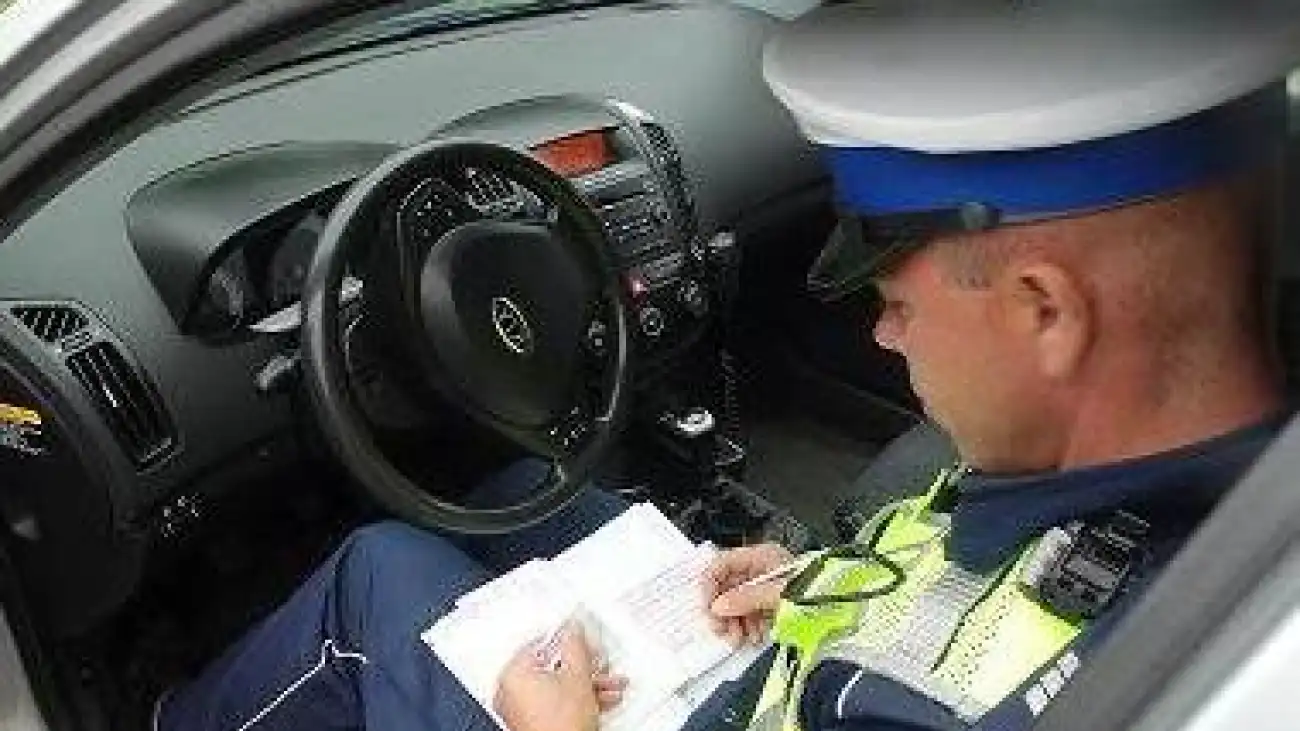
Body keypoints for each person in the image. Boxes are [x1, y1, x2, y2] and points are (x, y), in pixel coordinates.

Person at [156, 3, 1299, 731]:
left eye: (895, 303)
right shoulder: (1180, 483)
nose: (884, 336)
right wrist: (818, 587)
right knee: (520, 491)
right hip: (767, 668)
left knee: (378, 572)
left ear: (1046, 309)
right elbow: (979, 590)